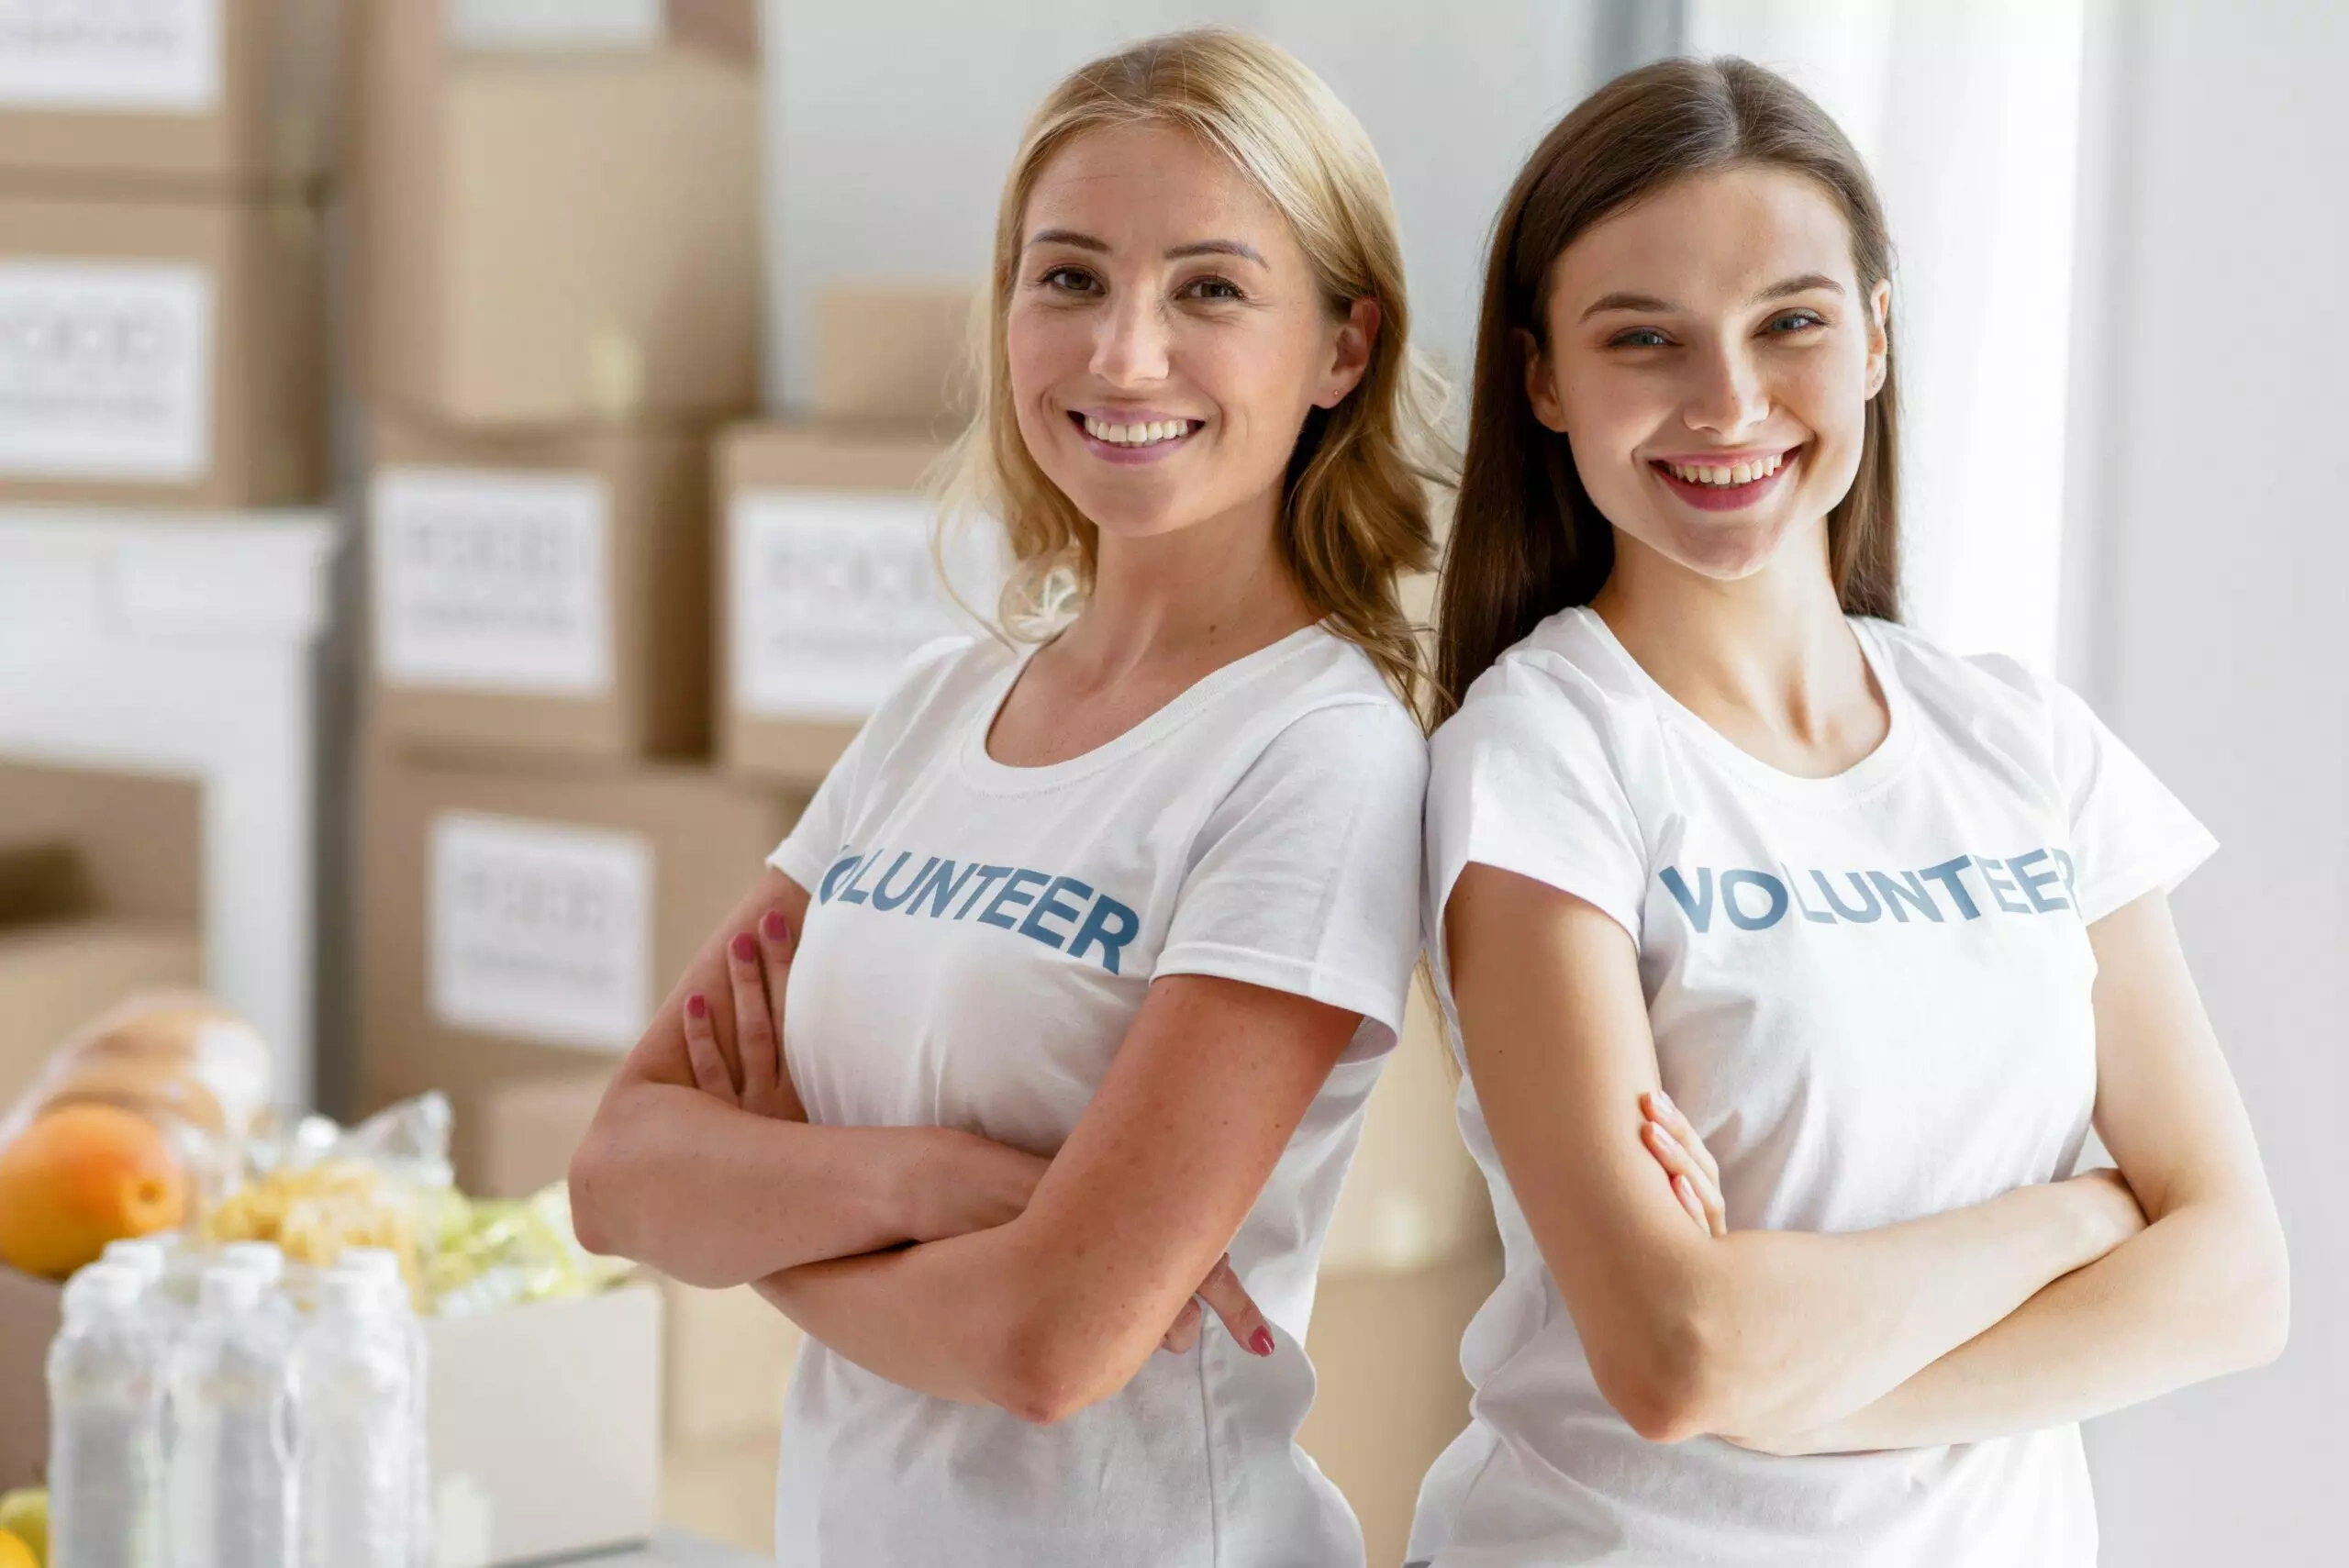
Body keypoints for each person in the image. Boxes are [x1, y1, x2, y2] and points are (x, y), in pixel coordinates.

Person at [568, 28, 1444, 1566]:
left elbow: (1053, 1343)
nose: (1123, 353)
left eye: (1212, 289)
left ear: (1342, 349)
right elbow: (620, 1177)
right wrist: (932, 1185)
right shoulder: (936, 707)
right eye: (1069, 278)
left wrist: (767, 1212)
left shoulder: (1320, 754)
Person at [1408, 56, 2288, 1568]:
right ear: (1545, 377)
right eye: (1645, 340)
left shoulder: (2021, 744)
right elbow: (1680, 1355)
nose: (1729, 401)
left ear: (1876, 336)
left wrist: (1809, 1387)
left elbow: (2236, 1280)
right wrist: (2077, 1219)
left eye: (1791, 324)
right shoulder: (1545, 758)